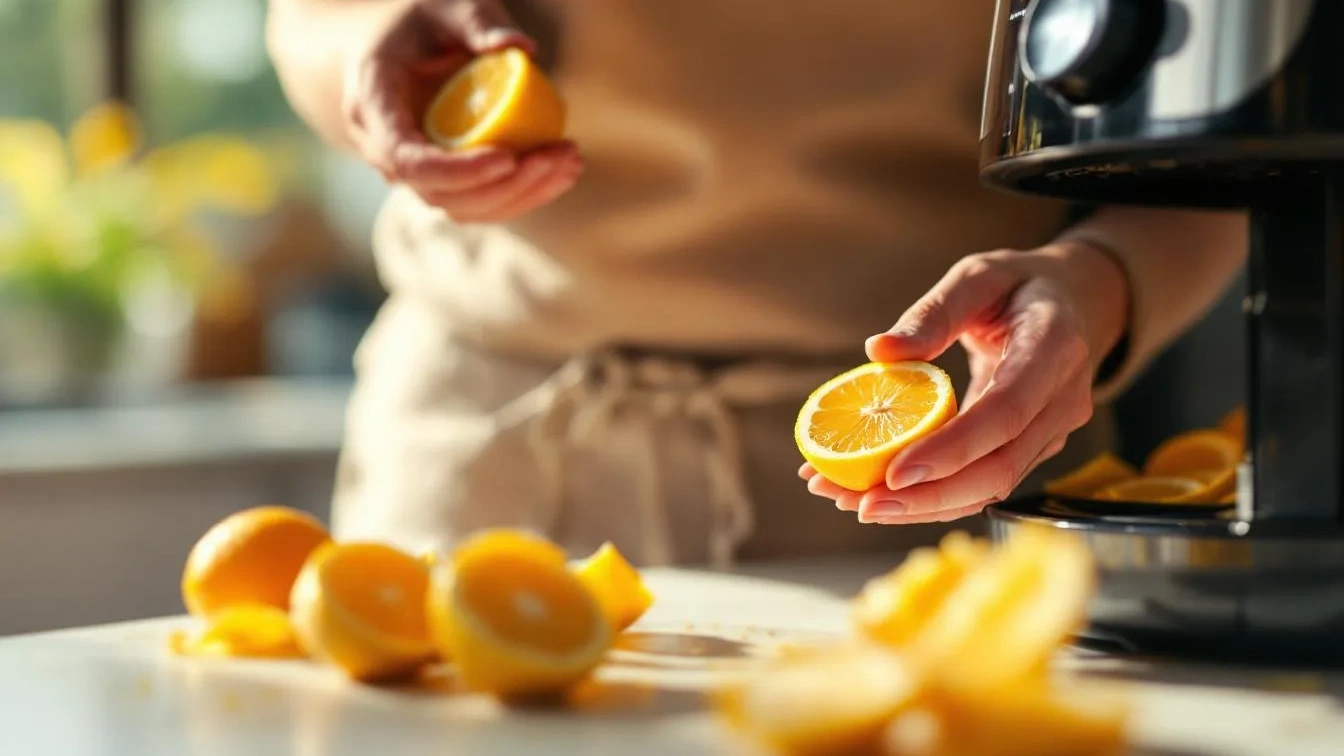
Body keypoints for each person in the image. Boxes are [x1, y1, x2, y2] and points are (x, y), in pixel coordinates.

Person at [266, 0, 1247, 567]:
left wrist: (1099, 282)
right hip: (487, 453)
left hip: (936, 483)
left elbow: (1225, 139)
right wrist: (364, 46)